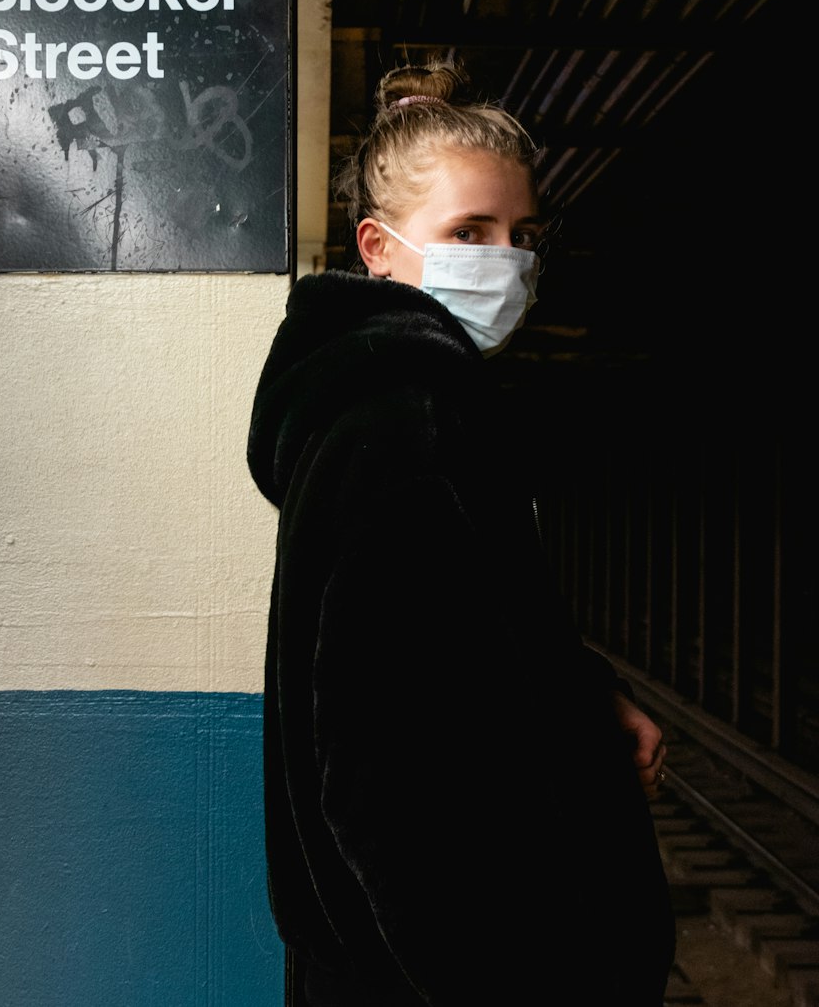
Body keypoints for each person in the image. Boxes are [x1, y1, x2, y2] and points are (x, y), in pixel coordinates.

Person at [247, 61, 676, 1006]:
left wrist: (583, 692)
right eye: (469, 233)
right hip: (433, 973)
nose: (507, 259)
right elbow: (377, 766)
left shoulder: (387, 401)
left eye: (523, 235)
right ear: (379, 247)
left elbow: (457, 641)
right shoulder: (410, 423)